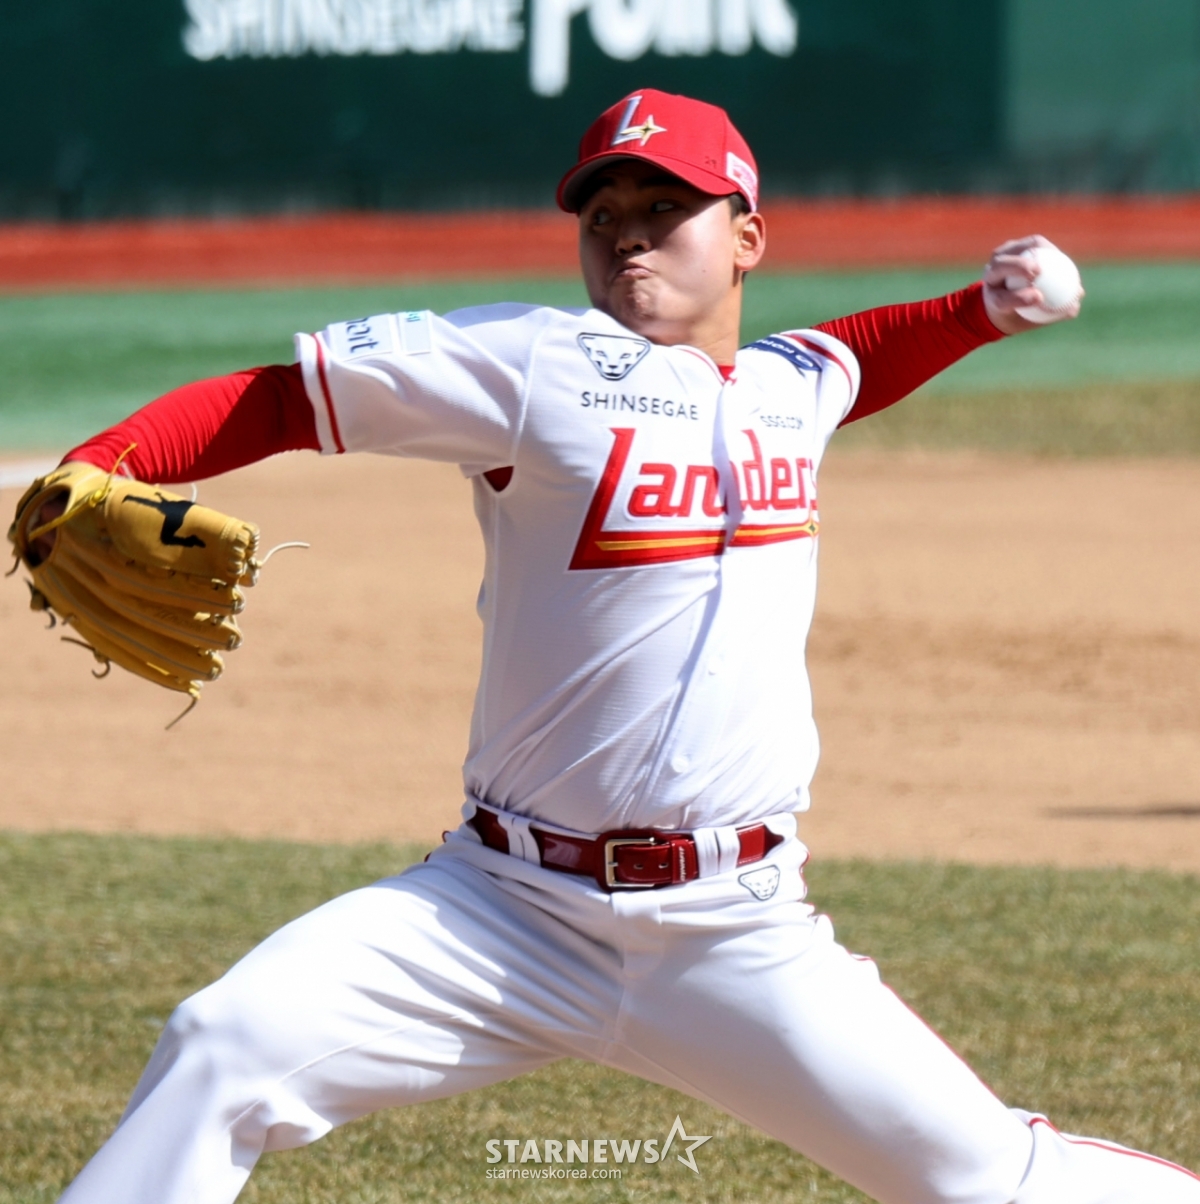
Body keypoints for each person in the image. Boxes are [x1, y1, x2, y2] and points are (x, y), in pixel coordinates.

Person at [49, 89, 1197, 1204]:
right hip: (498, 915)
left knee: (985, 1178)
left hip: (733, 933)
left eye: (665, 209)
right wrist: (100, 467)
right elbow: (281, 399)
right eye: (604, 216)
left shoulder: (791, 385)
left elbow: (854, 357)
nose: (628, 236)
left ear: (747, 237)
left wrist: (979, 313)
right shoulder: (529, 364)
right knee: (223, 1045)